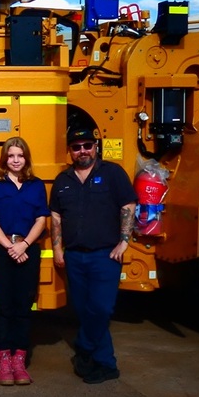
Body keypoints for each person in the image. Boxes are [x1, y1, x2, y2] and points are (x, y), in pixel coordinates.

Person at [49, 127, 137, 384]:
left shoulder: (112, 173)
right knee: (85, 311)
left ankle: (84, 347)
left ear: (95, 147)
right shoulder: (63, 180)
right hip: (75, 256)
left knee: (101, 308)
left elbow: (128, 205)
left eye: (87, 145)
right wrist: (57, 248)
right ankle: (106, 364)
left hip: (105, 256)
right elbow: (55, 215)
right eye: (76, 147)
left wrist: (123, 242)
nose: (82, 150)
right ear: (70, 151)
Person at [0, 137, 49, 386]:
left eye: (20, 155)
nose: (16, 160)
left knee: (23, 306)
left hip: (28, 250)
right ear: (5, 159)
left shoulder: (36, 185)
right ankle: (4, 359)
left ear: (26, 158)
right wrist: (10, 246)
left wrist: (24, 245)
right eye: (11, 156)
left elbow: (42, 219)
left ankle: (19, 358)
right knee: (4, 307)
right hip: (2, 250)